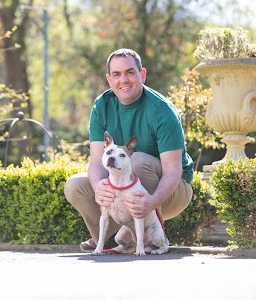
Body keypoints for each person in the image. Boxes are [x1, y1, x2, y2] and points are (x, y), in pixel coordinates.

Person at [64, 48, 194, 253]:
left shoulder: (161, 110)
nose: (123, 80)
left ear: (142, 75)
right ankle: (108, 240)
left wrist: (151, 202)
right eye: (116, 74)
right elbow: (97, 162)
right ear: (109, 79)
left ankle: (151, 238)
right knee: (75, 186)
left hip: (173, 190)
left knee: (138, 161)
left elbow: (173, 171)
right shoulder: (102, 105)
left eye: (130, 73)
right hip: (123, 186)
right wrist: (99, 187)